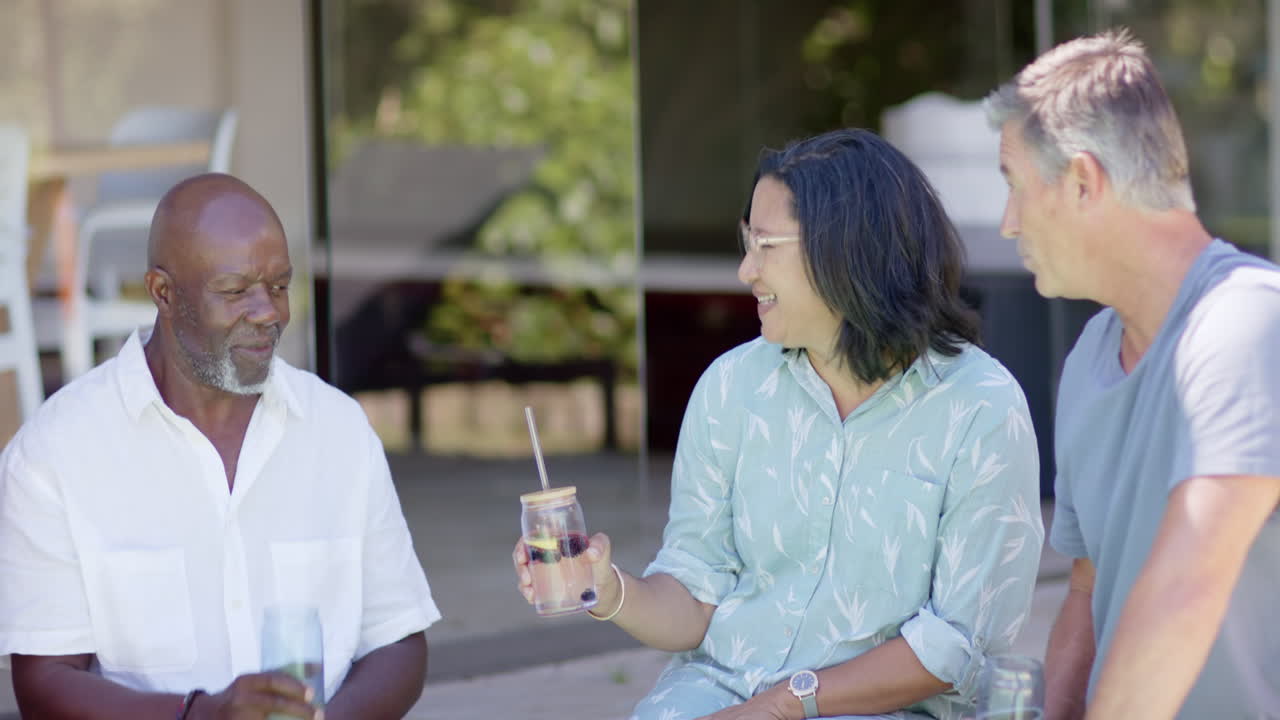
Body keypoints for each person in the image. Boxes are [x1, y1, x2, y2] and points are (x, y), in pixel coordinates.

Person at [513, 128, 1044, 720]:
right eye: (747, 243)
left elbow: (954, 645)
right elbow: (694, 595)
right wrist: (607, 589)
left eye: (766, 245)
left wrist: (784, 706)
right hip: (720, 694)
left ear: (848, 252)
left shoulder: (979, 407)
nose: (746, 271)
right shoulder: (730, 388)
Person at [0, 173, 440, 719]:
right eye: (235, 291)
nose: (269, 312)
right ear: (162, 292)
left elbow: (398, 641)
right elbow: (44, 683)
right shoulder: (55, 455)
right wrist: (201, 715)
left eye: (280, 286)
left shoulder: (338, 431)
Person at [986, 29, 1280, 719]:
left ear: (1084, 181)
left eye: (1015, 187)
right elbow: (1089, 595)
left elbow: (1187, 586)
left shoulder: (1247, 325)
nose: (1006, 222)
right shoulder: (1090, 357)